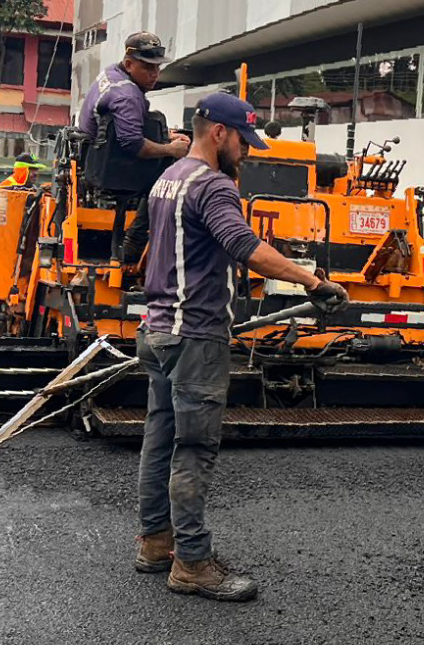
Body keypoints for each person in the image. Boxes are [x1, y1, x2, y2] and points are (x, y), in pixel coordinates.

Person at [132, 91, 349, 602]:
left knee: (159, 438)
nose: (247, 153)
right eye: (243, 141)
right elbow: (245, 247)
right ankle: (191, 562)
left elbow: (146, 252)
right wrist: (312, 283)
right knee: (194, 447)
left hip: (158, 329)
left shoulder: (167, 179)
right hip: (195, 337)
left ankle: (155, 542)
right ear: (219, 133)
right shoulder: (213, 186)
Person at [78, 31, 191, 262]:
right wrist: (171, 149)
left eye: (157, 68)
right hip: (111, 169)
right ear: (129, 64)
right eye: (148, 68)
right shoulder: (128, 95)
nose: (155, 75)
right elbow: (133, 145)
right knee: (172, 175)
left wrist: (165, 137)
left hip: (97, 157)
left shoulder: (111, 73)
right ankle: (136, 241)